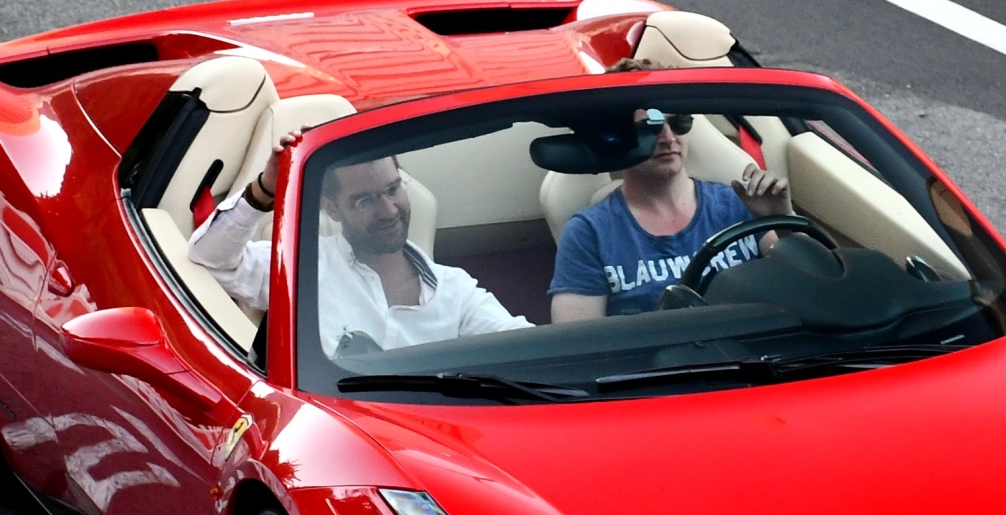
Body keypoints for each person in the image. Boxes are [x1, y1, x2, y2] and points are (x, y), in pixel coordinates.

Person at [190, 138, 531, 356]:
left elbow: (523, 349)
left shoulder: (455, 290)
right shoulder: (303, 267)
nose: (388, 210)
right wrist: (265, 188)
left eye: (393, 189)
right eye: (365, 200)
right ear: (333, 209)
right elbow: (211, 258)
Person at [549, 111, 792, 320]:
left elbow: (815, 285)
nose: (668, 137)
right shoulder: (589, 233)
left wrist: (784, 220)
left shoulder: (739, 203)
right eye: (650, 127)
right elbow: (580, 348)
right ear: (616, 138)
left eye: (678, 123)